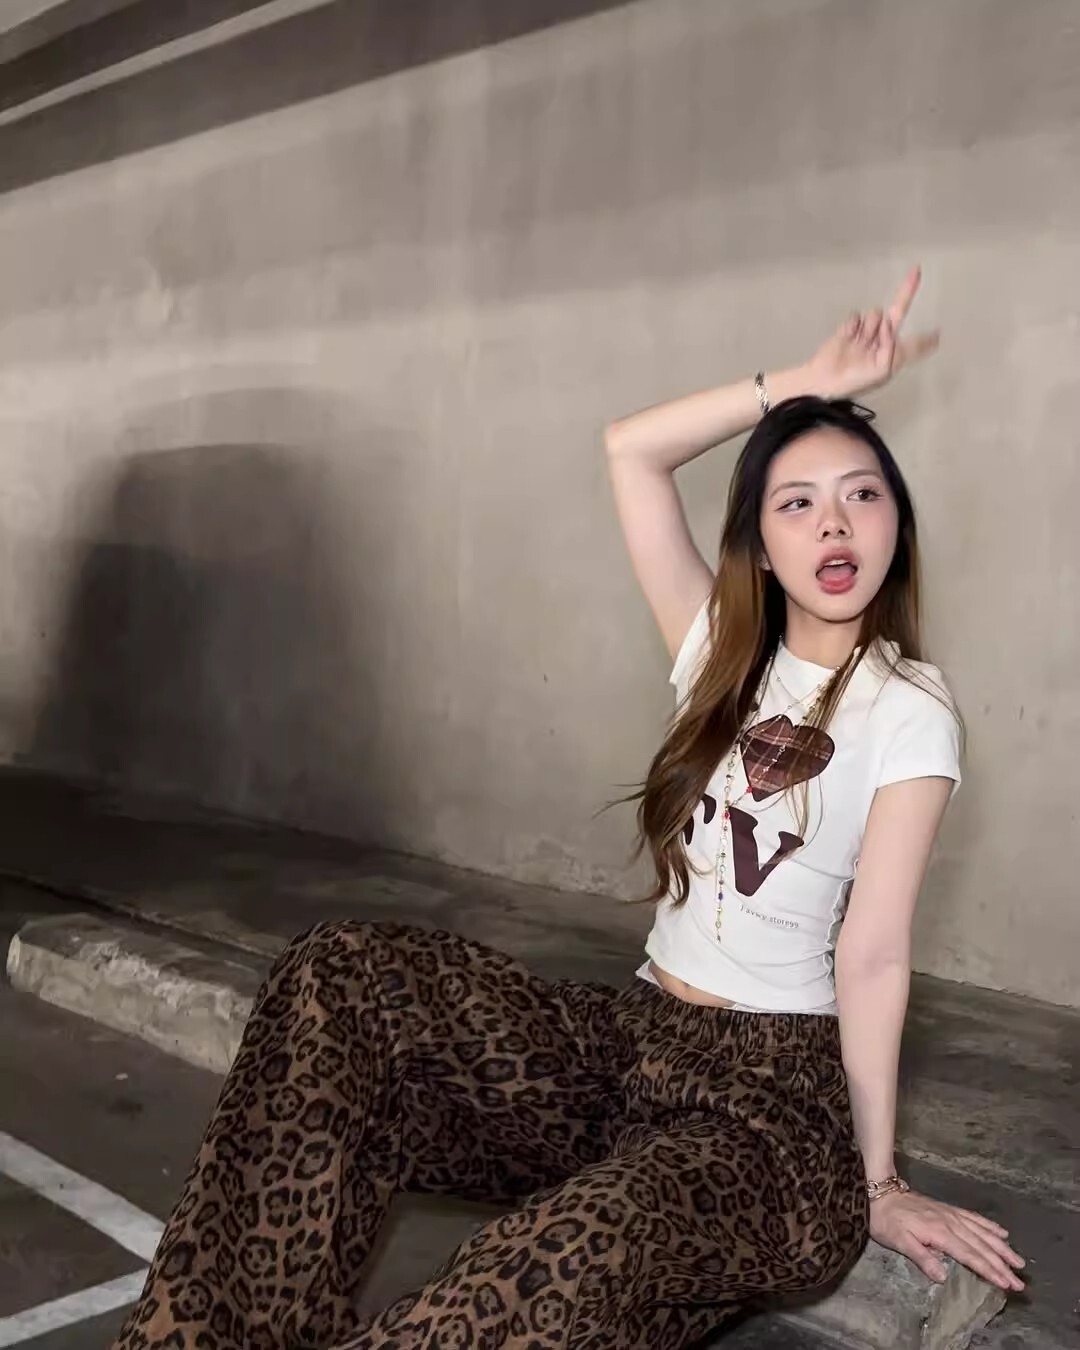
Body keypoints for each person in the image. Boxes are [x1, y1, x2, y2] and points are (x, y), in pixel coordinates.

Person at [113, 268, 1025, 1350]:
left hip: (770, 1115)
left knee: (559, 1256)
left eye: (863, 494)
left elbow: (872, 956)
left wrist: (878, 1183)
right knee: (339, 976)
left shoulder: (909, 706)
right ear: (760, 542)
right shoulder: (718, 654)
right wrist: (803, 383)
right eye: (798, 501)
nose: (835, 521)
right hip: (633, 1044)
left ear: (896, 523)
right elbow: (631, 451)